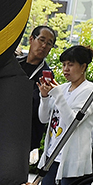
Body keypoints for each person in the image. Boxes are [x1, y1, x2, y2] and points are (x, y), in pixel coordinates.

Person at [37, 44, 93, 185]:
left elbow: (73, 122)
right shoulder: (62, 88)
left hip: (73, 161)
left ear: (83, 67)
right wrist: (44, 97)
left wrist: (57, 95)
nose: (65, 69)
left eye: (70, 64)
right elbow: (44, 119)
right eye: (64, 64)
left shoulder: (89, 91)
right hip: (52, 157)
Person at [16, 24, 56, 170]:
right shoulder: (14, 64)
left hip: (24, 138)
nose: (44, 45)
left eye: (49, 43)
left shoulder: (46, 76)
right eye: (42, 40)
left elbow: (35, 108)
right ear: (31, 39)